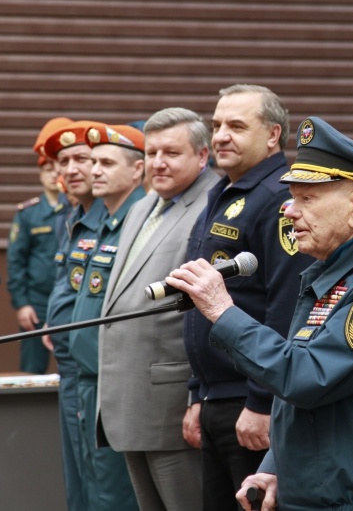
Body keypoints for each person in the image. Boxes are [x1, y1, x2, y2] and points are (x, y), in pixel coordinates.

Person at [167, 116, 353, 509]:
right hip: (325, 493)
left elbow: (307, 376)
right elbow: (302, 398)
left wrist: (224, 311)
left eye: (307, 199)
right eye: (292, 197)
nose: (290, 211)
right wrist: (277, 467)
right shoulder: (332, 269)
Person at [181, 84, 315, 510]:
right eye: (217, 124)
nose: (220, 135)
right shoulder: (224, 191)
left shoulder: (278, 197)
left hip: (250, 400)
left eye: (237, 126)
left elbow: (285, 306)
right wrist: (197, 393)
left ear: (273, 135)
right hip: (217, 397)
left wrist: (261, 402)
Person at [97, 108, 218, 510]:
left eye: (171, 152)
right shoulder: (142, 206)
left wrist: (196, 399)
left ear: (202, 156)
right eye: (151, 153)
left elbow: (206, 312)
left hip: (171, 404)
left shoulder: (211, 207)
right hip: (131, 396)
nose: (158, 163)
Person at [68, 123, 144, 510]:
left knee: (115, 494)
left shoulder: (138, 221)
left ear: (138, 170)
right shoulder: (106, 222)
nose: (94, 170)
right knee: (92, 486)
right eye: (93, 161)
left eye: (106, 163)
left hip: (114, 379)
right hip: (86, 374)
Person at [42, 118, 108, 511]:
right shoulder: (74, 217)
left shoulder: (109, 216)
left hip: (93, 366)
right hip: (69, 363)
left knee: (98, 478)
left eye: (81, 158)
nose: (70, 169)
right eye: (62, 161)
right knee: (78, 478)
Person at [7, 144, 67, 373]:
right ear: (40, 175)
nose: (53, 175)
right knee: (32, 369)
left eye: (57, 168)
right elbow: (15, 262)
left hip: (65, 298)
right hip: (37, 302)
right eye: (47, 170)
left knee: (70, 365)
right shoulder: (28, 213)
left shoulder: (75, 209)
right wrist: (21, 303)